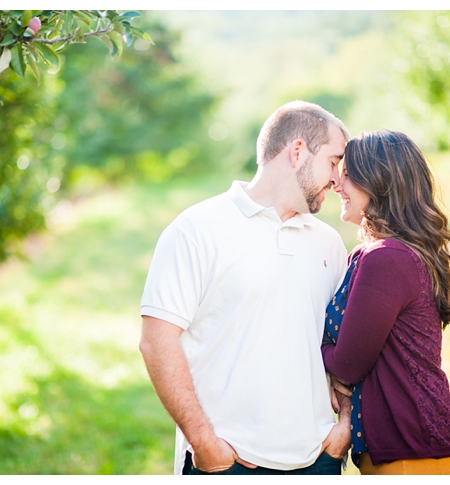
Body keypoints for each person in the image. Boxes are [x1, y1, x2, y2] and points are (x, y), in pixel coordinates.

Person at [139, 101, 353, 475]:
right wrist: (203, 441)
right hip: (226, 462)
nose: (338, 179)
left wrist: (345, 427)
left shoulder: (330, 244)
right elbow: (156, 341)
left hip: (317, 458)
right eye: (334, 162)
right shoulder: (196, 229)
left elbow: (342, 344)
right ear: (298, 151)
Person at [322, 129, 450, 474]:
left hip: (413, 450)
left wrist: (313, 352)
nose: (336, 186)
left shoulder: (387, 259)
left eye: (347, 177)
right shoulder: (372, 254)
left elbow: (348, 365)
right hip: (401, 447)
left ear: (379, 182)